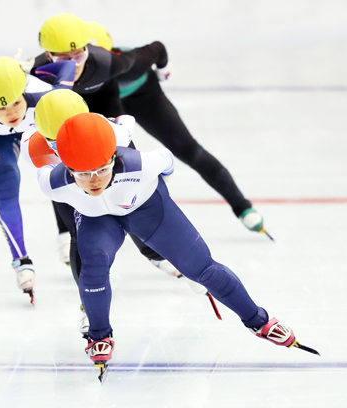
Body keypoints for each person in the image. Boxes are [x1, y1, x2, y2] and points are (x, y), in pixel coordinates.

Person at [36, 113, 318, 378]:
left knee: (201, 269)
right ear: (68, 169)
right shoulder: (52, 183)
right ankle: (99, 335)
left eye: (101, 170)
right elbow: (38, 156)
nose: (94, 180)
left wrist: (158, 189)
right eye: (83, 174)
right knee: (93, 269)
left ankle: (259, 320)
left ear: (113, 158)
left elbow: (167, 161)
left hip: (148, 210)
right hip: (98, 220)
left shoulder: (140, 164)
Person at [31, 14, 269, 238]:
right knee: (75, 158)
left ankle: (242, 206)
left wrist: (164, 70)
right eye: (64, 58)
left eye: (80, 57)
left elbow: (158, 49)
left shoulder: (120, 63)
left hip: (143, 94)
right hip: (101, 102)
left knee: (186, 148)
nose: (74, 66)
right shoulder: (52, 70)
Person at [20, 89, 208, 335]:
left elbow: (130, 132)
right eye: (54, 143)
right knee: (79, 235)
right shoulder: (32, 146)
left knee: (134, 209)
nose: (65, 148)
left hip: (110, 170)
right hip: (75, 183)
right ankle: (89, 307)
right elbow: (54, 184)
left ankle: (157, 253)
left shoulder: (113, 133)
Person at [0, 56, 75, 303]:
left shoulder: (46, 97)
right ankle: (21, 261)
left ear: (23, 93)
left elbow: (67, 66)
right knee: (6, 183)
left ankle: (73, 235)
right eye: (1, 108)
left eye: (15, 103)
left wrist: (30, 70)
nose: (11, 113)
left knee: (63, 172)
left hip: (39, 122)